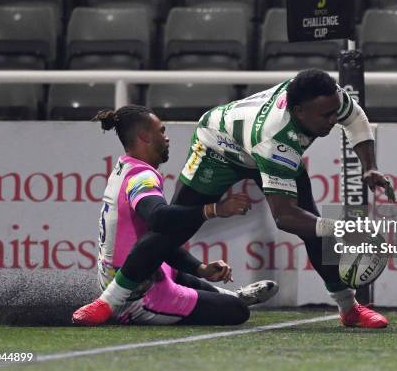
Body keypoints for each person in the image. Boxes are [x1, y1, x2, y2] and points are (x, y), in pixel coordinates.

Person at [171, 69, 391, 328]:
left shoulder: (329, 98)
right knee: (172, 225)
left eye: (334, 112)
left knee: (314, 227)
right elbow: (284, 217)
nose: (333, 121)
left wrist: (369, 166)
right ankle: (125, 287)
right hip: (218, 149)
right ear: (299, 112)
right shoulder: (275, 138)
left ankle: (349, 309)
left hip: (265, 148)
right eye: (326, 116)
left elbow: (355, 119)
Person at [72, 105, 278, 326]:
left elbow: (158, 240)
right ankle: (234, 299)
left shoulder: (125, 167)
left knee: (175, 269)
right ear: (144, 136)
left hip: (132, 275)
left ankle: (233, 295)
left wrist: (201, 269)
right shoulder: (142, 176)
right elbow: (158, 218)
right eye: (161, 131)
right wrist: (216, 209)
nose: (167, 138)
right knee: (237, 312)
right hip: (136, 295)